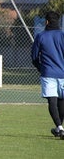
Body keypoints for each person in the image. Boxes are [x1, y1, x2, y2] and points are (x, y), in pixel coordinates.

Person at [31, 11, 64, 140]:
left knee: (52, 101)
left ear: (46, 22)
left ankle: (59, 127)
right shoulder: (62, 35)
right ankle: (59, 127)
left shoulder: (41, 36)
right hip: (63, 73)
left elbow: (34, 57)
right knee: (62, 100)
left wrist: (41, 68)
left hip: (48, 73)